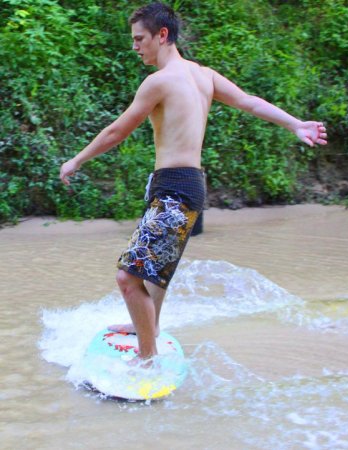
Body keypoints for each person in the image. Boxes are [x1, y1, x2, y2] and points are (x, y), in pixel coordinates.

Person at [60, 2, 327, 363]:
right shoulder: (204, 76)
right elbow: (249, 102)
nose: (135, 46)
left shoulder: (158, 81)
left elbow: (117, 131)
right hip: (187, 186)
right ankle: (148, 329)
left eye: (140, 39)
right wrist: (295, 123)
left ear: (162, 35)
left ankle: (147, 358)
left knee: (128, 278)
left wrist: (77, 159)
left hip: (174, 188)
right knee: (154, 271)